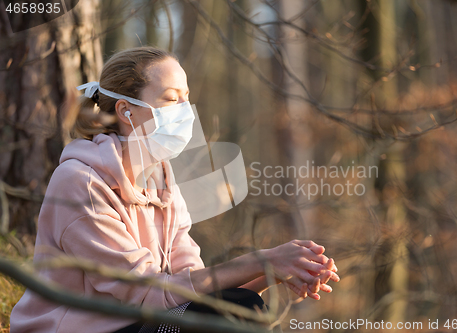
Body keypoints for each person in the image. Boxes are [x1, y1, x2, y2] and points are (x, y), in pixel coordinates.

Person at [9, 47, 340, 333]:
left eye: (186, 98)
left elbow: (193, 286)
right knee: (232, 309)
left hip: (135, 322)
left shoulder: (162, 183)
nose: (185, 111)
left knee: (240, 305)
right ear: (127, 111)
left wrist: (275, 272)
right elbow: (147, 291)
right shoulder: (81, 182)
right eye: (171, 99)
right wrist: (263, 259)